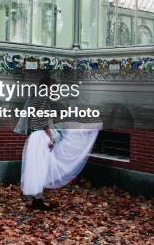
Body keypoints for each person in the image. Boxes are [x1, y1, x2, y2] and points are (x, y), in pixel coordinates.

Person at [14, 73, 101, 211]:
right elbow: (41, 121)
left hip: (35, 137)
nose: (55, 90)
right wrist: (51, 137)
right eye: (54, 87)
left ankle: (37, 199)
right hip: (40, 136)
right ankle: (37, 200)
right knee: (41, 167)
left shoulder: (37, 97)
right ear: (48, 86)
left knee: (38, 167)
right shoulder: (42, 97)